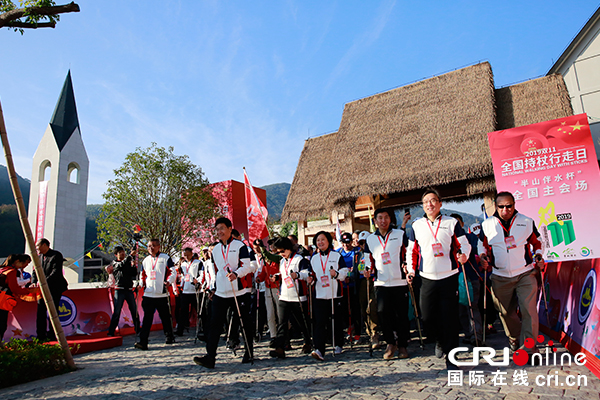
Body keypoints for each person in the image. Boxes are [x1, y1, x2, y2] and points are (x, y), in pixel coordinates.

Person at [406, 189, 470, 370]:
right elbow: (411, 250)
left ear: (440, 203)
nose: (430, 204)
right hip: (426, 278)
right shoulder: (416, 225)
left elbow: (464, 243)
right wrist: (411, 270)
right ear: (422, 205)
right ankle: (440, 341)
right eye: (426, 202)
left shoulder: (451, 223)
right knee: (427, 316)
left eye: (433, 200)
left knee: (449, 318)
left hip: (448, 277)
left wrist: (464, 255)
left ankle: (451, 358)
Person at [479, 191, 544, 353]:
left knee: (528, 310)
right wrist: (482, 257)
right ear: (496, 206)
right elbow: (482, 245)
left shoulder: (526, 221)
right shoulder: (487, 224)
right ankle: (514, 337)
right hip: (500, 275)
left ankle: (529, 347)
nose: (505, 210)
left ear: (514, 205)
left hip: (525, 273)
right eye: (501, 206)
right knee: (506, 312)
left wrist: (539, 255)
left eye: (509, 206)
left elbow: (538, 242)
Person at [193, 217, 257, 368]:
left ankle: (249, 352)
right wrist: (213, 288)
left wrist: (236, 274)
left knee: (244, 322)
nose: (219, 232)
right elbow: (216, 271)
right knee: (214, 324)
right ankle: (210, 357)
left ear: (229, 229)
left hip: (238, 291)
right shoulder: (215, 249)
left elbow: (246, 266)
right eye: (217, 229)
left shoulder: (240, 246)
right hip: (221, 292)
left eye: (222, 228)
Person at [363, 208, 411, 360]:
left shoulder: (400, 234)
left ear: (390, 219)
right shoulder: (370, 239)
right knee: (383, 314)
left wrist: (407, 266)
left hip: (400, 281)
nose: (383, 220)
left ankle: (402, 345)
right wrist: (366, 270)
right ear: (375, 221)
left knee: (402, 315)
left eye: (386, 217)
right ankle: (390, 343)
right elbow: (367, 260)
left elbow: (408, 253)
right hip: (381, 283)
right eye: (380, 218)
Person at [302, 231, 348, 361]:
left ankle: (338, 343)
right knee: (319, 322)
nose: (320, 242)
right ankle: (319, 349)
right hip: (319, 294)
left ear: (328, 241)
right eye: (318, 240)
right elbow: (311, 274)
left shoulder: (336, 255)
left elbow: (345, 272)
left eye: (323, 240)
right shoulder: (314, 258)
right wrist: (310, 279)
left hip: (335, 293)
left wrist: (337, 273)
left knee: (336, 321)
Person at [268, 236, 312, 359]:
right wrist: (277, 276)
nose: (281, 254)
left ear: (288, 248)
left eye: (282, 251)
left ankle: (308, 341)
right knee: (281, 323)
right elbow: (283, 273)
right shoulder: (282, 261)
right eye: (278, 252)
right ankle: (280, 348)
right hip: (284, 296)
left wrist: (297, 275)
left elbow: (307, 273)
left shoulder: (299, 259)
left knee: (301, 321)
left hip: (297, 296)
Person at [135, 238, 176, 350]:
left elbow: (173, 271)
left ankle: (169, 336)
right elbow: (142, 275)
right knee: (147, 319)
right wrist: (140, 284)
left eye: (153, 245)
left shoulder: (165, 258)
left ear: (158, 246)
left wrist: (169, 281)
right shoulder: (145, 260)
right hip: (148, 294)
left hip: (161, 294)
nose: (151, 248)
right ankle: (143, 342)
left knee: (165, 317)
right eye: (149, 246)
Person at [450, 214, 483, 346]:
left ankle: (477, 334)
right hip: (454, 279)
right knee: (460, 309)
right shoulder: (447, 240)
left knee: (472, 306)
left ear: (462, 224)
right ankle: (467, 333)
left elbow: (478, 252)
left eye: (457, 223)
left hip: (471, 277)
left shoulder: (471, 238)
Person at [33, 238, 68, 342]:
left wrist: (44, 282)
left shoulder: (56, 255)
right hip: (41, 289)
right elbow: (35, 271)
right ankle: (40, 335)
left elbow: (56, 272)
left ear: (44, 245)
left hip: (54, 288)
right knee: (40, 312)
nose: (37, 249)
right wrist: (34, 281)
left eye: (38, 246)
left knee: (53, 312)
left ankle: (53, 334)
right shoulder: (39, 257)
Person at [106, 246, 140, 337]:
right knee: (117, 311)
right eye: (120, 252)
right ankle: (111, 331)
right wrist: (130, 257)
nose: (122, 253)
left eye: (123, 252)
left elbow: (133, 273)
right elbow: (121, 265)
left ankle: (138, 330)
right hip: (119, 290)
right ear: (115, 255)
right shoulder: (114, 264)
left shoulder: (127, 262)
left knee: (134, 310)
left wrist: (133, 265)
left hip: (129, 290)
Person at [355, 230, 380, 349]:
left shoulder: (376, 251)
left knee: (372, 307)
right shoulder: (357, 254)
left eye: (365, 242)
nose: (363, 245)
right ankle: (369, 331)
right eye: (361, 242)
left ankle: (375, 333)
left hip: (373, 280)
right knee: (363, 307)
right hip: (361, 282)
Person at [0, 254, 34, 341]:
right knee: (2, 324)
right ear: (17, 262)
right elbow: (15, 289)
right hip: (3, 301)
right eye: (25, 263)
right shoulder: (11, 272)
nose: (25, 265)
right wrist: (29, 291)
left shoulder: (2, 269)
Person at [337, 232, 361, 344]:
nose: (346, 245)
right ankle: (349, 329)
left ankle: (357, 333)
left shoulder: (357, 252)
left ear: (352, 241)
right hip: (342, 285)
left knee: (355, 309)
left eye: (348, 242)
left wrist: (351, 277)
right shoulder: (338, 252)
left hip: (354, 284)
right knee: (344, 310)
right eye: (343, 243)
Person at [176, 247, 202, 336]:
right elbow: (184, 276)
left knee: (199, 311)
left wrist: (198, 281)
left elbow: (202, 274)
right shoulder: (183, 264)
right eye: (185, 255)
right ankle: (180, 330)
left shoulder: (198, 263)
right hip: (186, 291)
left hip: (195, 291)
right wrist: (181, 285)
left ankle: (203, 329)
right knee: (183, 311)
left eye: (188, 254)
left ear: (191, 253)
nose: (186, 256)